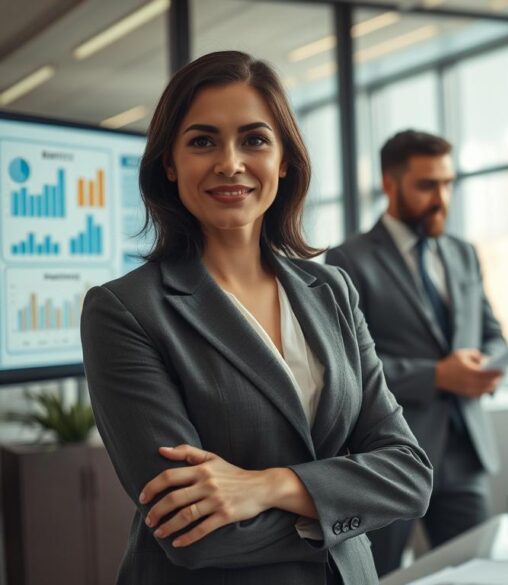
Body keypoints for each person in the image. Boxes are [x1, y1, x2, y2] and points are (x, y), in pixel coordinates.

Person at [81, 51, 431, 584]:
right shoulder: (126, 310)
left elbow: (408, 473)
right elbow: (195, 533)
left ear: (284, 159)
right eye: (202, 141)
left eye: (254, 139)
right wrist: (339, 505)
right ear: (169, 164)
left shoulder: (331, 289)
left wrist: (268, 486)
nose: (230, 162)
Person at [325, 130, 506, 576]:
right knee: (381, 574)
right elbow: (347, 365)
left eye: (448, 184)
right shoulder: (348, 260)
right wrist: (437, 375)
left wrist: (492, 362)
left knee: (477, 574)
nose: (441, 198)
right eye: (428, 185)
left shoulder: (462, 254)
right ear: (390, 184)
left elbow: (491, 332)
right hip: (389, 453)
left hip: (465, 449)